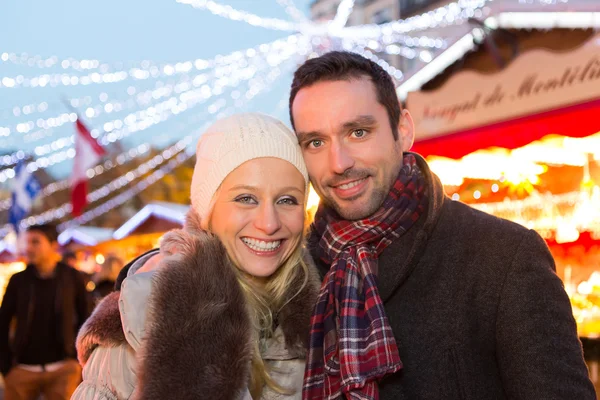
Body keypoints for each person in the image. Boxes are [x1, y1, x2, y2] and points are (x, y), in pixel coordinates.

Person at [288, 51, 596, 399]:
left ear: (402, 131)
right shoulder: (298, 275)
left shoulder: (503, 256)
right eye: (316, 142)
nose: (338, 162)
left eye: (358, 132)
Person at [71, 113, 320, 400]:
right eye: (246, 198)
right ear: (207, 210)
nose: (269, 222)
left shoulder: (322, 313)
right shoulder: (144, 317)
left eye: (287, 200)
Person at [0, 224, 90, 400]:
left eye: (36, 242)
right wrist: (5, 366)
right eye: (27, 243)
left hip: (63, 368)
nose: (29, 248)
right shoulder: (18, 280)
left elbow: (86, 318)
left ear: (53, 246)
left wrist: (77, 361)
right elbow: (2, 322)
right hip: (22, 369)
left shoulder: (72, 277)